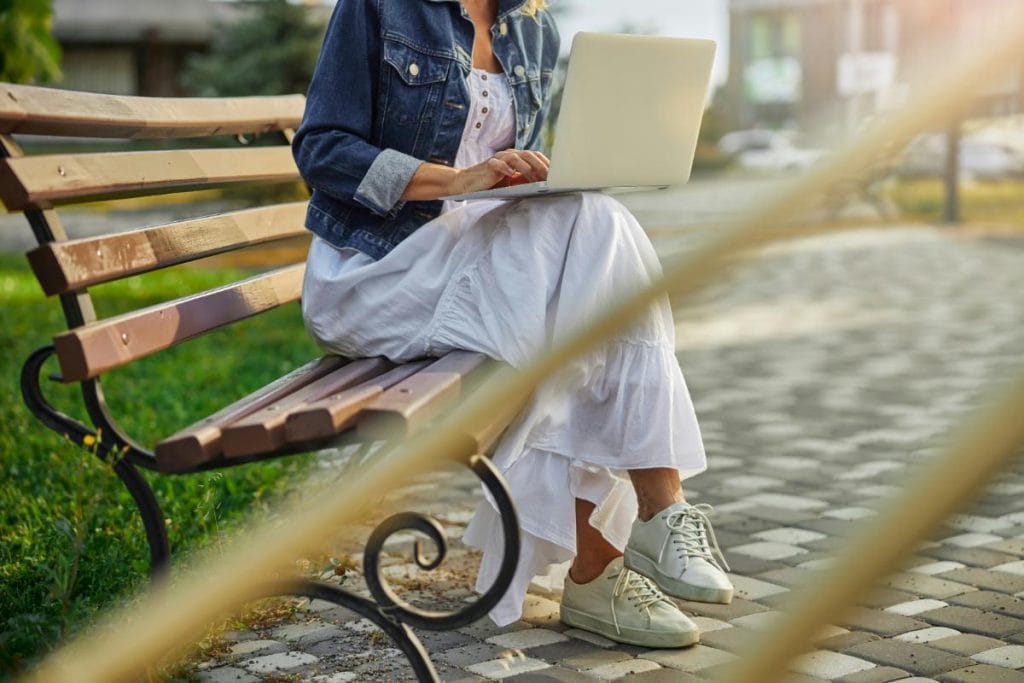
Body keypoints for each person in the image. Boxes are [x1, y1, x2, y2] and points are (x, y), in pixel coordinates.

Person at [292, 0, 734, 648]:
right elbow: (321, 148)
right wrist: (457, 178)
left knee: (593, 244)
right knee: (591, 258)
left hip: (480, 257)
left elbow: (504, 163)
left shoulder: (530, 26)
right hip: (379, 269)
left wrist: (533, 171)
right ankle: (626, 542)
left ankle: (614, 553)